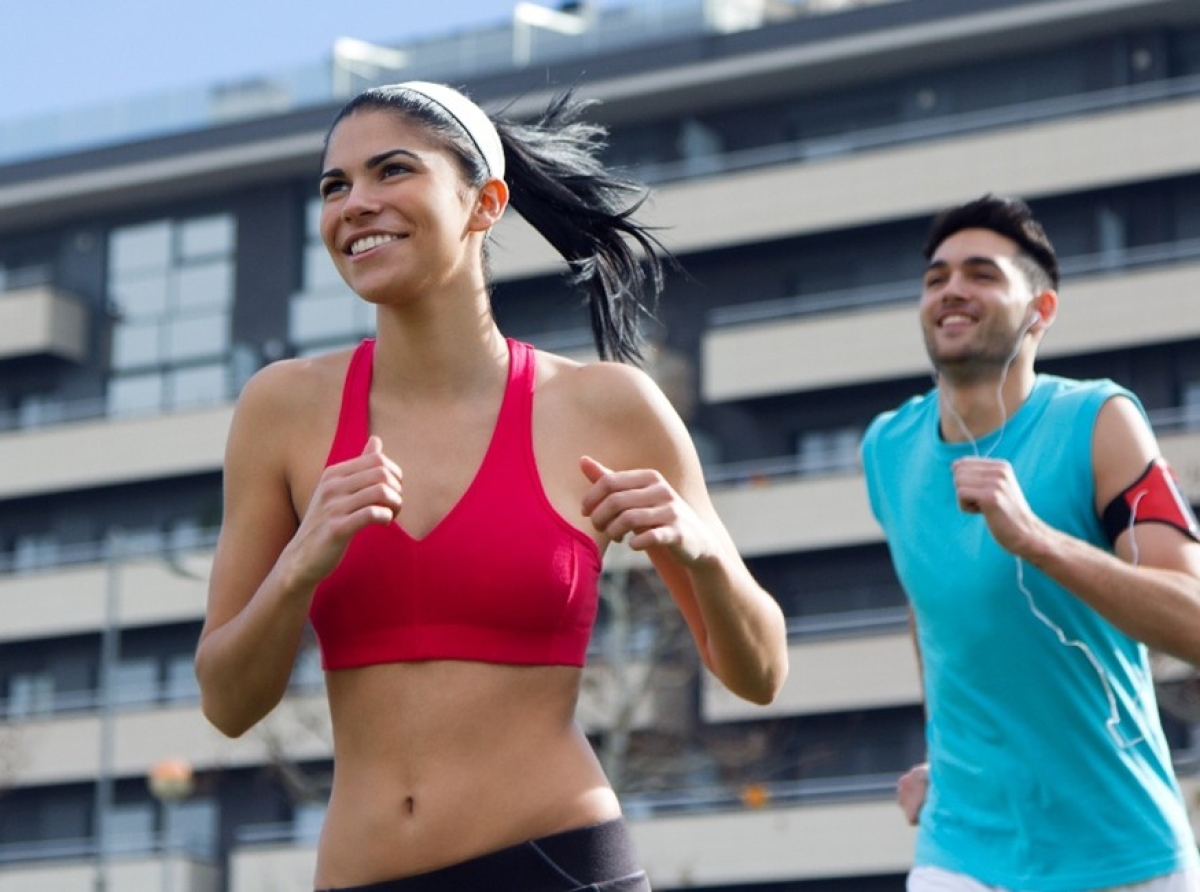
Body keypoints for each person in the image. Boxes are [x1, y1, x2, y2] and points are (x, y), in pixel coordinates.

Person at [194, 81, 788, 892]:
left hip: (556, 865)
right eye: (336, 186)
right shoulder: (282, 409)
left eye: (391, 171)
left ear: (485, 203)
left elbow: (758, 674)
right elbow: (227, 703)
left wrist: (705, 554)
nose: (356, 204)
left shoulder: (607, 406)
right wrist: (302, 561)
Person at [860, 194, 1200, 892]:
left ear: (1040, 311)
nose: (952, 288)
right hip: (961, 848)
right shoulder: (886, 447)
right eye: (936, 277)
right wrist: (944, 757)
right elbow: (931, 606)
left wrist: (1039, 540)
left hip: (1121, 853)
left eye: (982, 273)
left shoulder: (1100, 420)